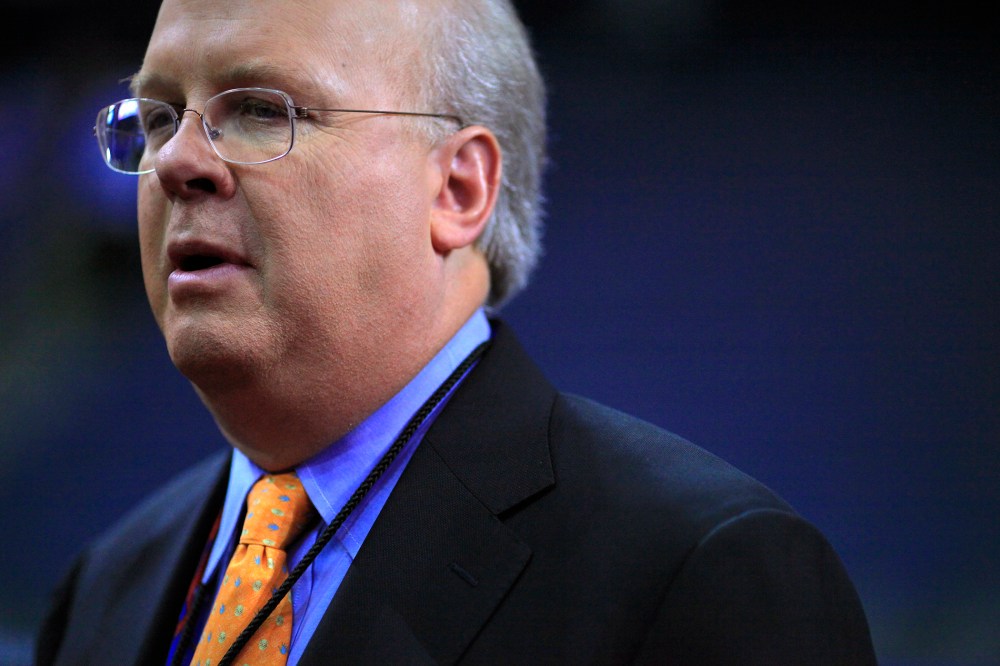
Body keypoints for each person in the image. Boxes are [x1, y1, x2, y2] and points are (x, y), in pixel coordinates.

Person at [37, 0, 877, 664]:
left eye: (259, 109)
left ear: (458, 189)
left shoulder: (703, 575)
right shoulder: (105, 585)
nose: (178, 162)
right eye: (156, 116)